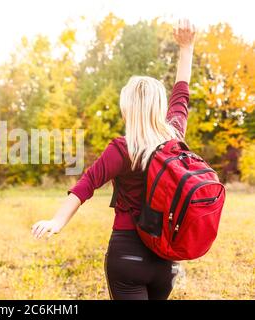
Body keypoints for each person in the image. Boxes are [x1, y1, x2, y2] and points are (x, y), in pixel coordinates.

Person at [31, 19, 197, 300]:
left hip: (128, 255)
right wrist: (187, 47)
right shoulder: (175, 137)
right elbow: (181, 92)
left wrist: (57, 222)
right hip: (165, 260)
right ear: (159, 106)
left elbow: (87, 184)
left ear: (127, 109)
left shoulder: (123, 148)